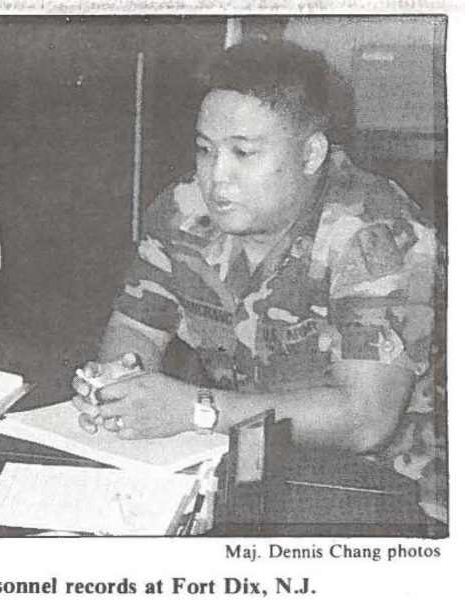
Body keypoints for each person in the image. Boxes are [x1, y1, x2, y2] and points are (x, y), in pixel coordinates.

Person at [74, 41, 444, 522]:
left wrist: (194, 410)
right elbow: (136, 327)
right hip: (246, 457)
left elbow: (366, 420)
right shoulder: (185, 210)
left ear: (310, 154)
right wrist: (122, 387)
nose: (215, 177)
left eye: (242, 153)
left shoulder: (375, 233)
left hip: (395, 485)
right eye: (205, 150)